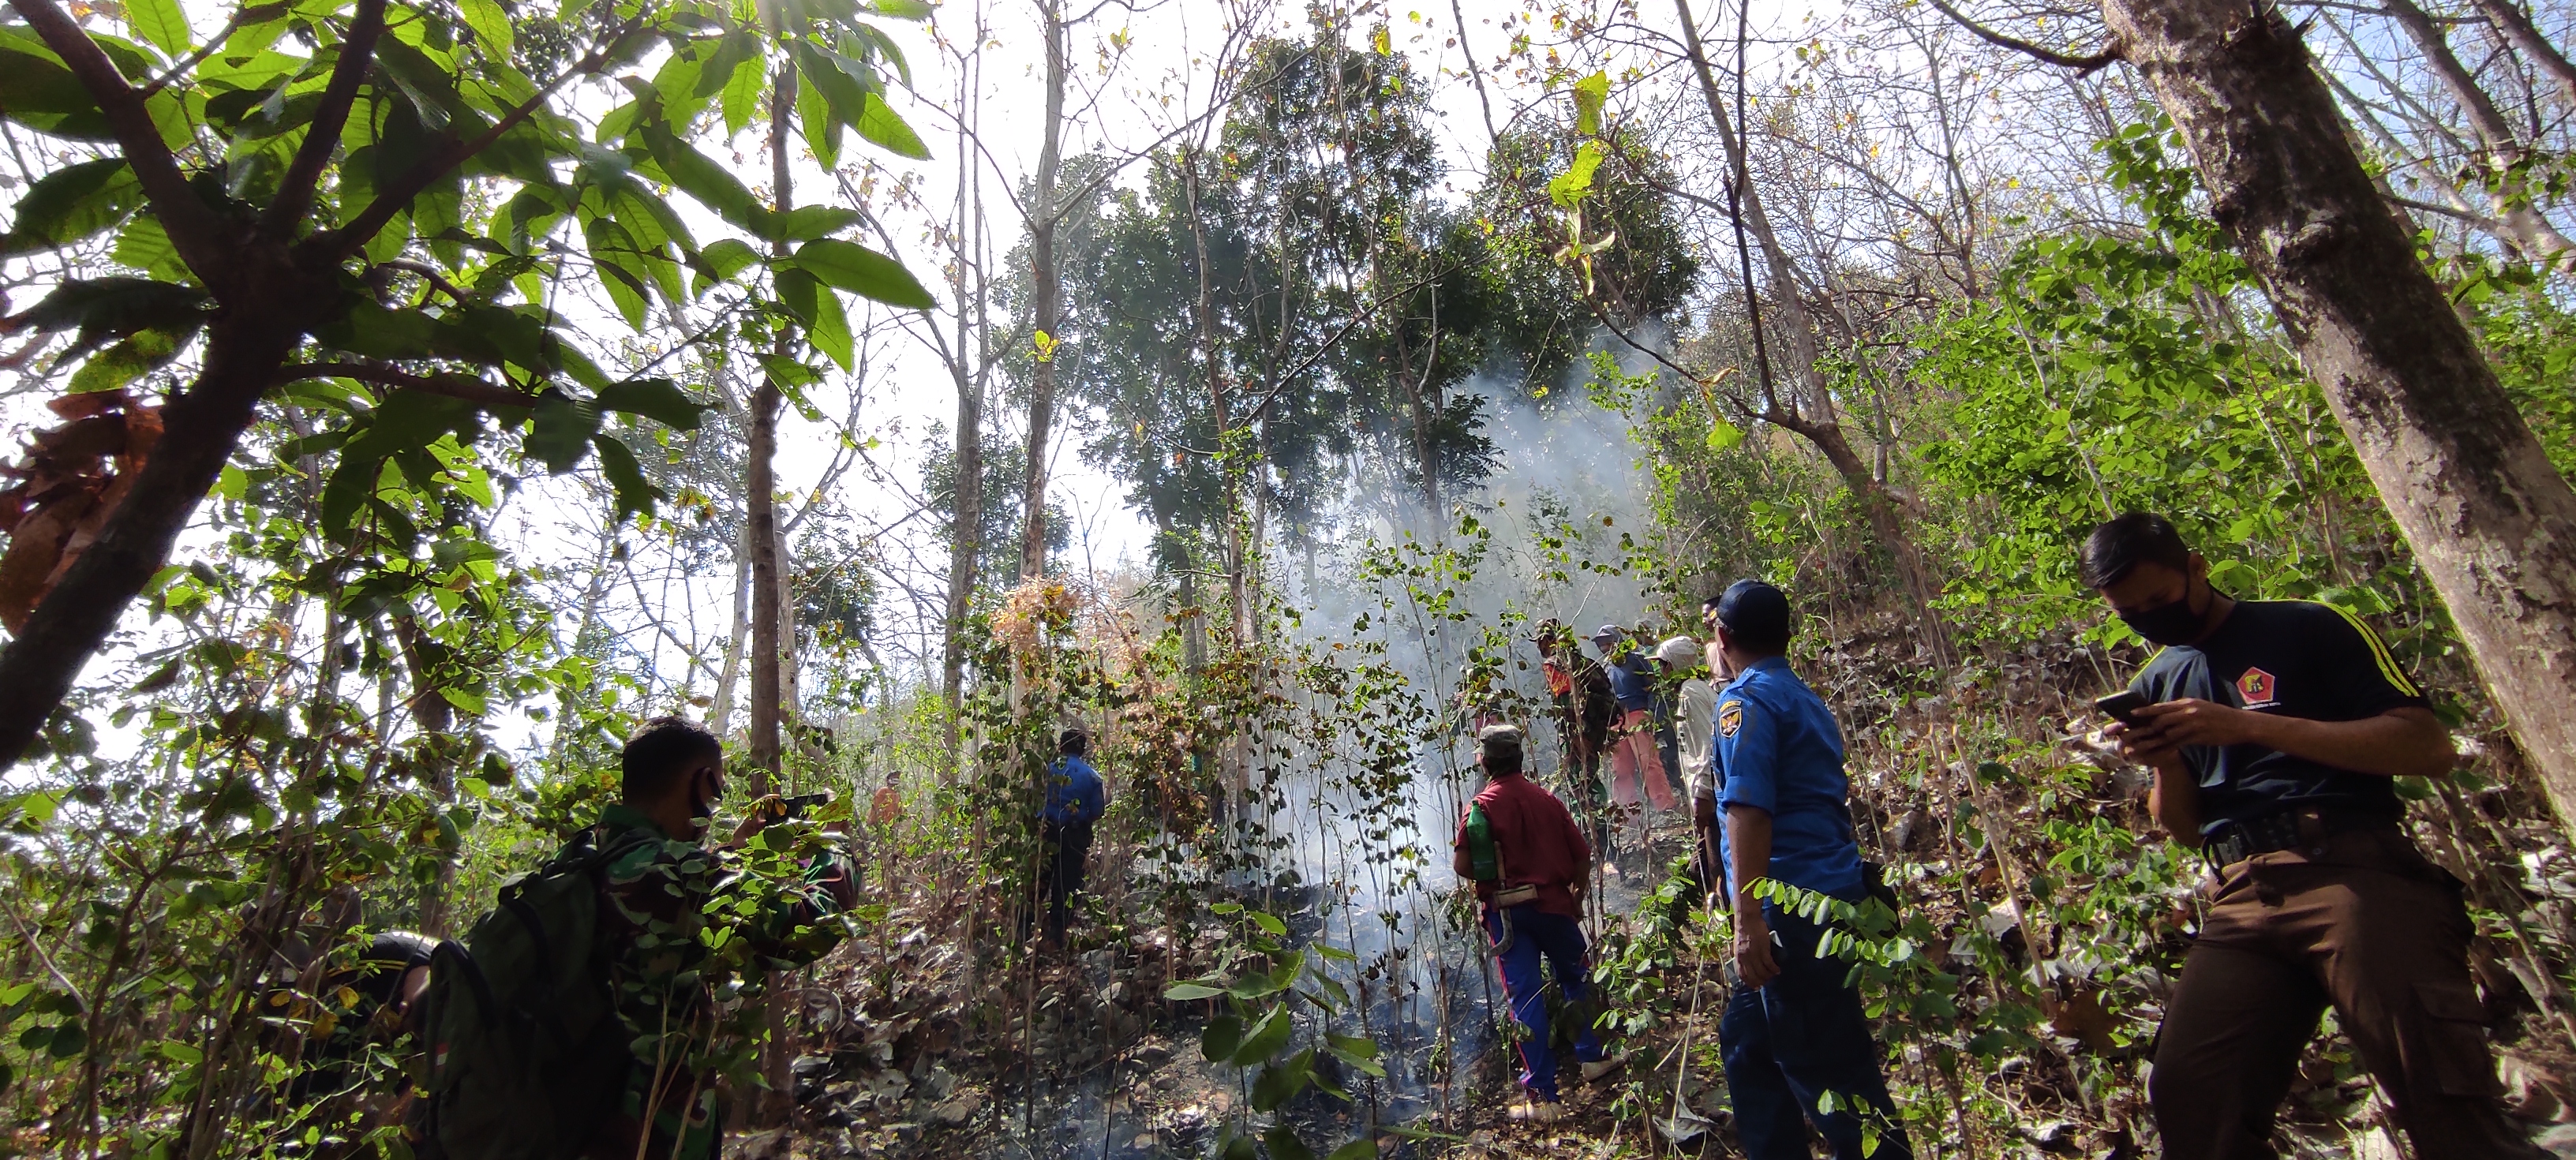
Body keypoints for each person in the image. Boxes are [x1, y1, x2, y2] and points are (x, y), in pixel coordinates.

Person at [2084, 513, 2547, 1160]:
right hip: (2242, 892)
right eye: (2130, 614)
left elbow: (2428, 747)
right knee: (2191, 1091)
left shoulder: (2305, 625)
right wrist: (2163, 760)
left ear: (2196, 568)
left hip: (2352, 867)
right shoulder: (2159, 681)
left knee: (2437, 1086)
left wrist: (2250, 727)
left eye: (2159, 600)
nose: (2150, 618)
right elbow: (2187, 830)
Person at [1703, 580, 1912, 1160]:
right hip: (1832, 893)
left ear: (1722, 636)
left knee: (1832, 1076)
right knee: (1748, 1045)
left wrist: (1748, 919)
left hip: (1793, 911)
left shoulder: (1744, 703)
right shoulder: (1798, 695)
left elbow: (1749, 810)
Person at [586, 717, 859, 1159]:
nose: (713, 806)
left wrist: (736, 852)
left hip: (583, 1116)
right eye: (717, 792)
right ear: (702, 783)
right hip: (646, 1132)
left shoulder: (592, 854)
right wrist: (832, 842)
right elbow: (813, 925)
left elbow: (675, 906)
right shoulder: (667, 872)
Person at [1451, 724, 1622, 1121]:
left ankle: (1544, 1097)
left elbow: (1462, 866)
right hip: (1555, 907)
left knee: (1525, 998)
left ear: (1485, 761)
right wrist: (1576, 898)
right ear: (1520, 758)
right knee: (1577, 980)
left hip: (1508, 916)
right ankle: (1592, 1058)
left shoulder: (1481, 807)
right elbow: (1582, 857)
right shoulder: (1547, 800)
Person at [1540, 622, 1618, 859]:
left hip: (1578, 738)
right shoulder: (1584, 662)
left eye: (1542, 642)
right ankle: (1601, 845)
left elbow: (1566, 706)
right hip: (1595, 734)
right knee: (1591, 785)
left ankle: (1596, 847)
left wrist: (1575, 738)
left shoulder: (1554, 665)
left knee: (1581, 789)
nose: (1541, 648)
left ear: (1549, 640)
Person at [1591, 625, 1678, 821]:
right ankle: (1626, 813)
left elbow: (1652, 687)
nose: (1604, 646)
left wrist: (1655, 713)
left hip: (1638, 712)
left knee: (1648, 760)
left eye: (1607, 641)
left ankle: (1665, 805)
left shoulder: (1637, 659)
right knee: (1620, 767)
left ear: (1618, 640)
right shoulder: (1606, 666)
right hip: (1616, 719)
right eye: (1600, 643)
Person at [1658, 634, 1720, 889]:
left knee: (1710, 867)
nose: (1660, 672)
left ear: (1673, 665)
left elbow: (1707, 746)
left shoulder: (1690, 694)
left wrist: (1703, 794)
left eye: (1663, 665)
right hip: (1713, 790)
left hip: (1712, 793)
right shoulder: (1697, 689)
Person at [1038, 727, 1107, 948]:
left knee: (1038, 882)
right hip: (1075, 835)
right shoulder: (1091, 777)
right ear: (1083, 749)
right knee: (1066, 886)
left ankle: (1021, 934)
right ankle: (1056, 937)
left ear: (1060, 746)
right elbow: (1098, 811)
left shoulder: (1045, 771)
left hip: (1044, 832)